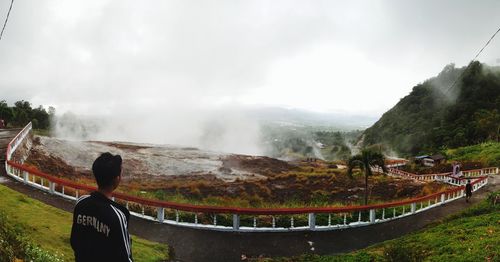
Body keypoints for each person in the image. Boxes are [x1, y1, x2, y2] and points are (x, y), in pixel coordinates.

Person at [70, 152, 133, 261]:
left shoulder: (81, 203)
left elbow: (74, 241)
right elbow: (125, 258)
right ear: (116, 179)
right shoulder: (118, 215)